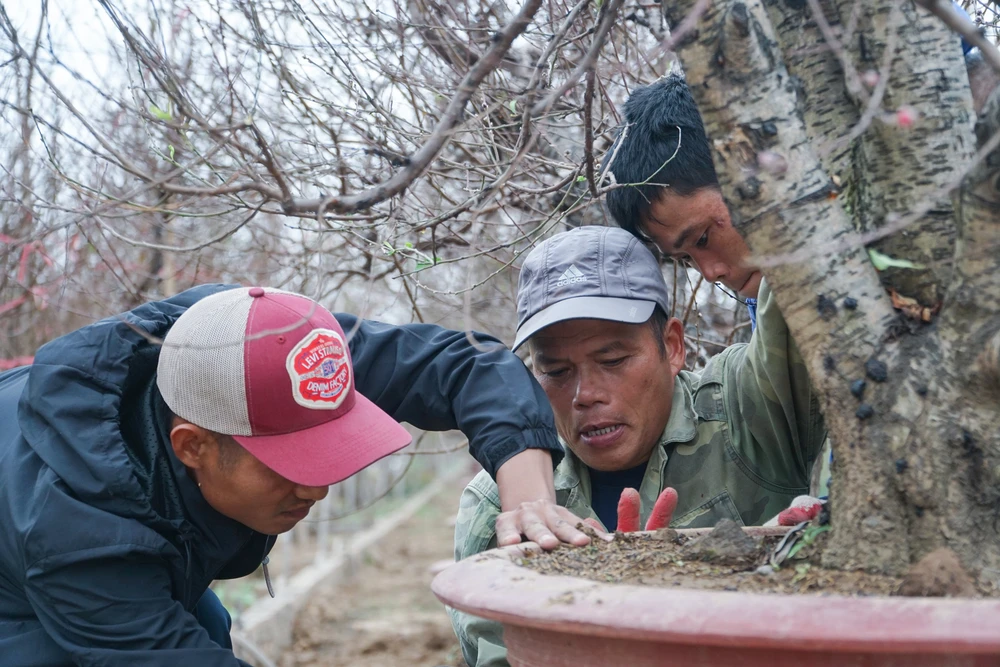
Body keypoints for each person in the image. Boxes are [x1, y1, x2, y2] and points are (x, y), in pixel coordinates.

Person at [0, 284, 587, 666]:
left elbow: (464, 365)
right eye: (289, 465)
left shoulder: (255, 347)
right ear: (193, 446)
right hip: (21, 587)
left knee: (207, 620)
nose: (316, 488)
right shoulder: (77, 539)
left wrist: (528, 497)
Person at [450, 226, 827, 667]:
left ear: (671, 346)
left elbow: (806, 265)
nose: (584, 394)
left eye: (612, 361)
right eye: (555, 371)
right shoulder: (502, 506)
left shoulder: (749, 408)